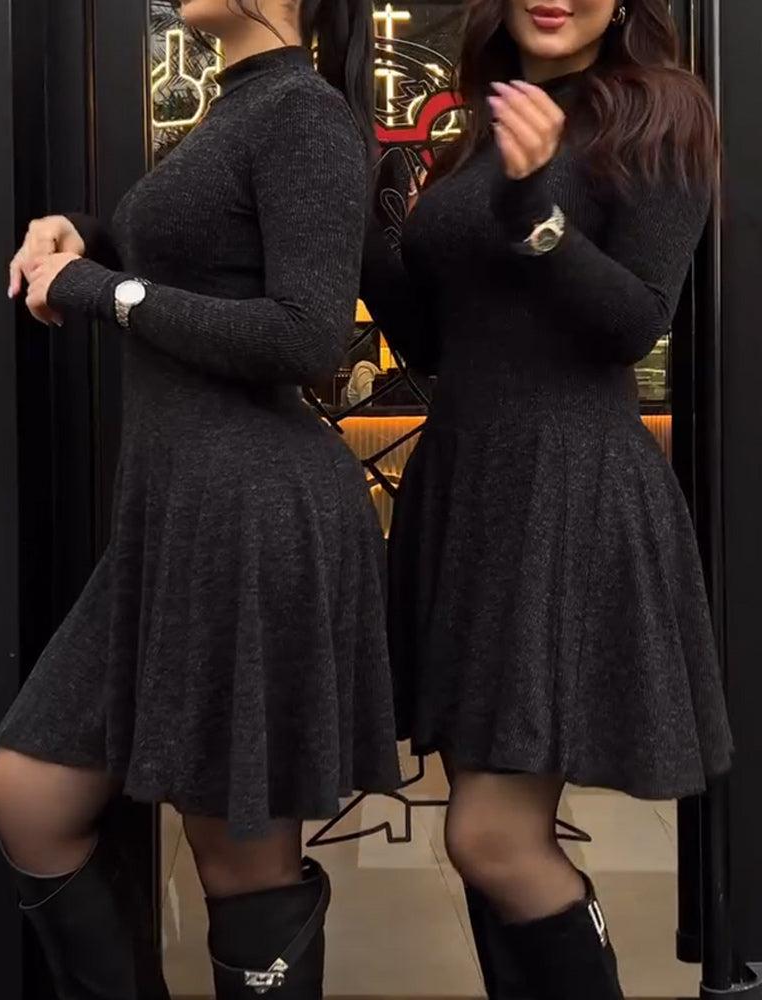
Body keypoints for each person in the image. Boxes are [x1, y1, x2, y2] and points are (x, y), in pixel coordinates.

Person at [0, 1, 400, 998]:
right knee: (26, 797)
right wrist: (83, 233)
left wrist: (97, 288)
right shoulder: (239, 105)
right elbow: (200, 256)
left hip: (247, 516)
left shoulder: (303, 113)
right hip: (178, 515)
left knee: (240, 865)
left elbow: (306, 334)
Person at [361, 1, 733, 998]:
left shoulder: (657, 110)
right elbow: (432, 344)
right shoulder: (482, 126)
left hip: (565, 486)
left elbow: (634, 320)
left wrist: (536, 210)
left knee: (489, 835)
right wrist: (364, 226)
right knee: (485, 836)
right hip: (467, 485)